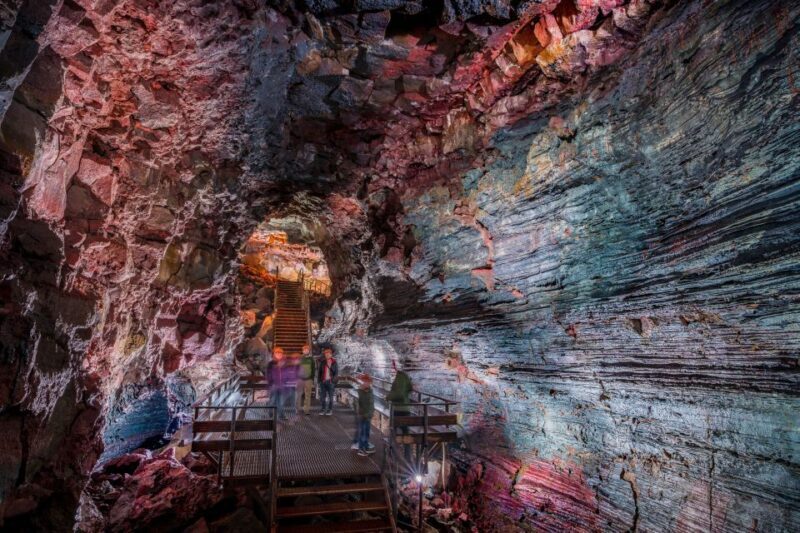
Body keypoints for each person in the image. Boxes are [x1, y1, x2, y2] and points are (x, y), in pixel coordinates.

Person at [387, 359, 413, 461]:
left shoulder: (399, 378)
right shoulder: (405, 376)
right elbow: (410, 389)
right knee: (406, 433)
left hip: (398, 409)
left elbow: (399, 395)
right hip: (406, 409)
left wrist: (388, 396)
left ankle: (393, 454)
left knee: (393, 432)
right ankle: (407, 457)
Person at [356, 374, 375, 457]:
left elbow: (371, 404)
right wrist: (360, 412)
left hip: (368, 415)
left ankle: (366, 446)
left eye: (368, 382)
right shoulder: (360, 392)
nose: (366, 384)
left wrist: (370, 413)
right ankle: (361, 448)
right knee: (362, 432)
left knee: (366, 432)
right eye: (365, 382)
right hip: (363, 415)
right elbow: (357, 403)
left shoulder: (370, 391)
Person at [266, 347, 288, 420]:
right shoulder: (271, 363)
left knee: (281, 401)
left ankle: (281, 415)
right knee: (272, 400)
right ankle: (270, 413)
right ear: (274, 354)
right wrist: (270, 383)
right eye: (277, 353)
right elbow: (268, 374)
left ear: (282, 354)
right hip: (274, 385)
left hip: (282, 385)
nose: (279, 354)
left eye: (280, 353)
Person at [317, 346, 338, 415]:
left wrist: (332, 381)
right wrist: (319, 381)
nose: (327, 355)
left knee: (331, 397)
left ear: (331, 354)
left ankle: (330, 410)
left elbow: (336, 373)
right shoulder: (323, 362)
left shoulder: (334, 362)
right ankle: (323, 409)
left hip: (330, 382)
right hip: (323, 382)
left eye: (328, 353)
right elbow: (319, 372)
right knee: (323, 397)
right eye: (326, 354)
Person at [296, 344, 315, 415]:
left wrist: (312, 378)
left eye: (307, 350)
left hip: (308, 379)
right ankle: (297, 408)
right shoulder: (299, 358)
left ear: (309, 351)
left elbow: (313, 369)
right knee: (298, 394)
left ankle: (306, 410)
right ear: (303, 351)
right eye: (304, 350)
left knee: (308, 395)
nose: (306, 351)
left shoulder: (311, 359)